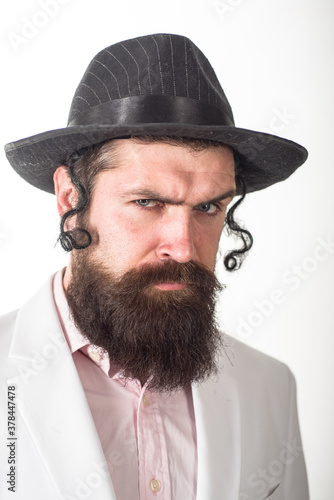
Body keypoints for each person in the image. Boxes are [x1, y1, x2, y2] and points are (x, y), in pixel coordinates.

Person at [1, 33, 309, 500]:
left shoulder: (270, 388)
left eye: (208, 208)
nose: (183, 248)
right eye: (147, 202)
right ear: (69, 199)